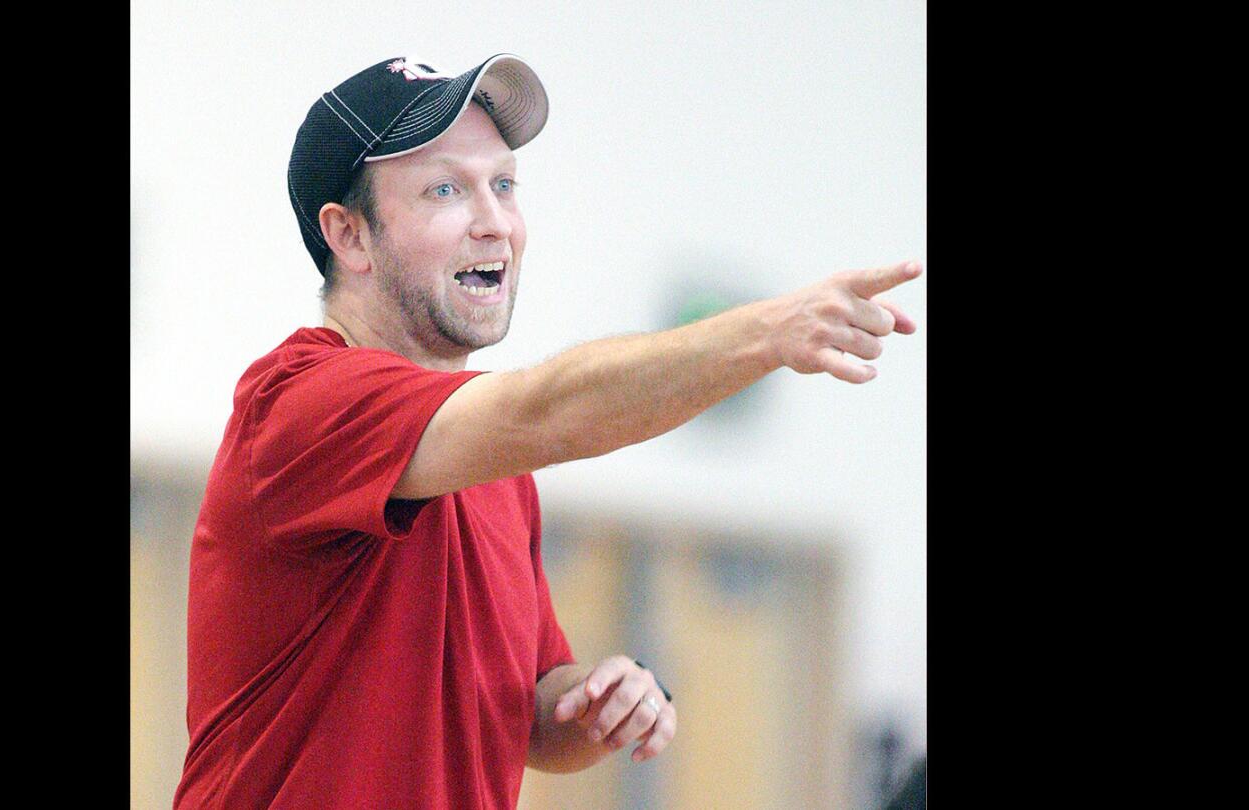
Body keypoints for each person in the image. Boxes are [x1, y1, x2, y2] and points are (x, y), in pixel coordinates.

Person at [174, 54, 921, 809]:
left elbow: (530, 715)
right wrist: (766, 331)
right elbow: (549, 409)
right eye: (445, 190)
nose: (494, 221)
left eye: (503, 185)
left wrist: (597, 702)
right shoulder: (300, 403)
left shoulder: (494, 465)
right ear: (351, 236)